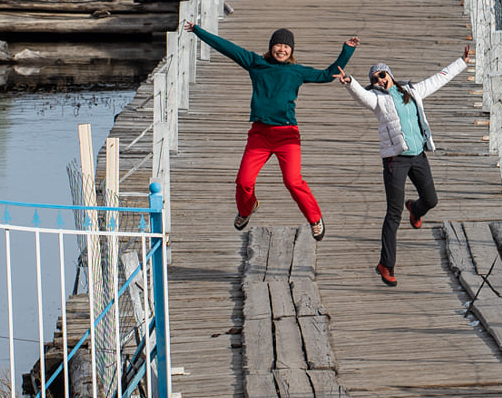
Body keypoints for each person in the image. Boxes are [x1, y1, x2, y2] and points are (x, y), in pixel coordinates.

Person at [186, 22, 357, 240]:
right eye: (278, 45)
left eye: (287, 46)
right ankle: (247, 209)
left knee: (293, 181)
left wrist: (347, 50)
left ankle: (315, 218)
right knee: (244, 182)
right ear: (271, 47)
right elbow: (227, 47)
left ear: (292, 51)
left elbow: (327, 75)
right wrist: (199, 31)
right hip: (260, 134)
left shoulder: (296, 71)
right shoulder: (256, 63)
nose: (282, 49)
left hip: (287, 136)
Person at [336, 43, 470, 286]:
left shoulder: (411, 91)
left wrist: (461, 62)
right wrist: (351, 82)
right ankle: (385, 264)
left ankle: (416, 209)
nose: (379, 79)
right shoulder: (377, 99)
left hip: (418, 156)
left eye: (382, 74)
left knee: (431, 200)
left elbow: (437, 80)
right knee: (393, 214)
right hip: (395, 160)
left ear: (390, 75)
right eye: (375, 78)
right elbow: (362, 97)